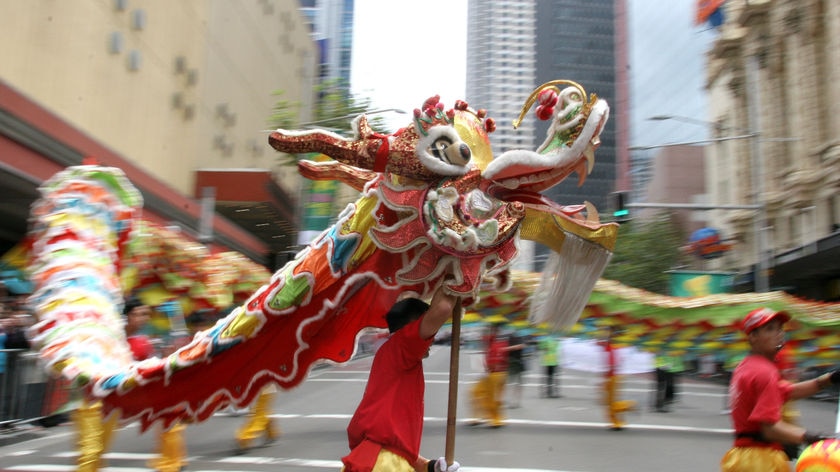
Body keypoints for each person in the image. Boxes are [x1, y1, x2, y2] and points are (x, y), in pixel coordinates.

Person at [342, 286, 460, 472]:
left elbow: (396, 448)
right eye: (428, 327)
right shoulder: (403, 345)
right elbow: (443, 308)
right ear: (409, 328)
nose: (431, 338)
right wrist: (457, 276)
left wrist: (432, 467)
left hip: (372, 459)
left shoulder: (392, 353)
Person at [720, 307, 840, 472]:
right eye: (770, 329)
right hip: (761, 460)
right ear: (753, 337)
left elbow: (789, 391)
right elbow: (769, 429)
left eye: (779, 328)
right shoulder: (764, 371)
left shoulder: (747, 366)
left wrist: (831, 378)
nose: (779, 333)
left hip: (743, 457)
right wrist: (811, 437)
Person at [468, 322, 509, 427]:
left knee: (492, 398)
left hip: (496, 374)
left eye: (492, 329)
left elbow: (496, 362)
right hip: (491, 374)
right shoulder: (490, 342)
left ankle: (496, 419)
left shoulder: (498, 343)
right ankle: (479, 417)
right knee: (475, 393)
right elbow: (484, 339)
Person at [602, 325, 635, 431]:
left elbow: (612, 363)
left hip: (613, 376)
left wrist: (607, 374)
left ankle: (627, 406)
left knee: (610, 402)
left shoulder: (612, 347)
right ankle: (616, 422)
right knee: (608, 401)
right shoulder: (613, 346)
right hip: (613, 376)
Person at [234, 384, 280, 454]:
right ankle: (270, 431)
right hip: (256, 383)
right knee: (259, 410)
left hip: (264, 382)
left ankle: (245, 438)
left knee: (259, 411)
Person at [506, 333, 526, 408]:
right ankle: (512, 401)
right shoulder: (510, 336)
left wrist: (513, 347)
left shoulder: (520, 336)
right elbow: (505, 348)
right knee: (511, 382)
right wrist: (514, 347)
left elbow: (523, 345)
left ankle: (516, 401)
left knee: (518, 383)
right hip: (511, 362)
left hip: (518, 362)